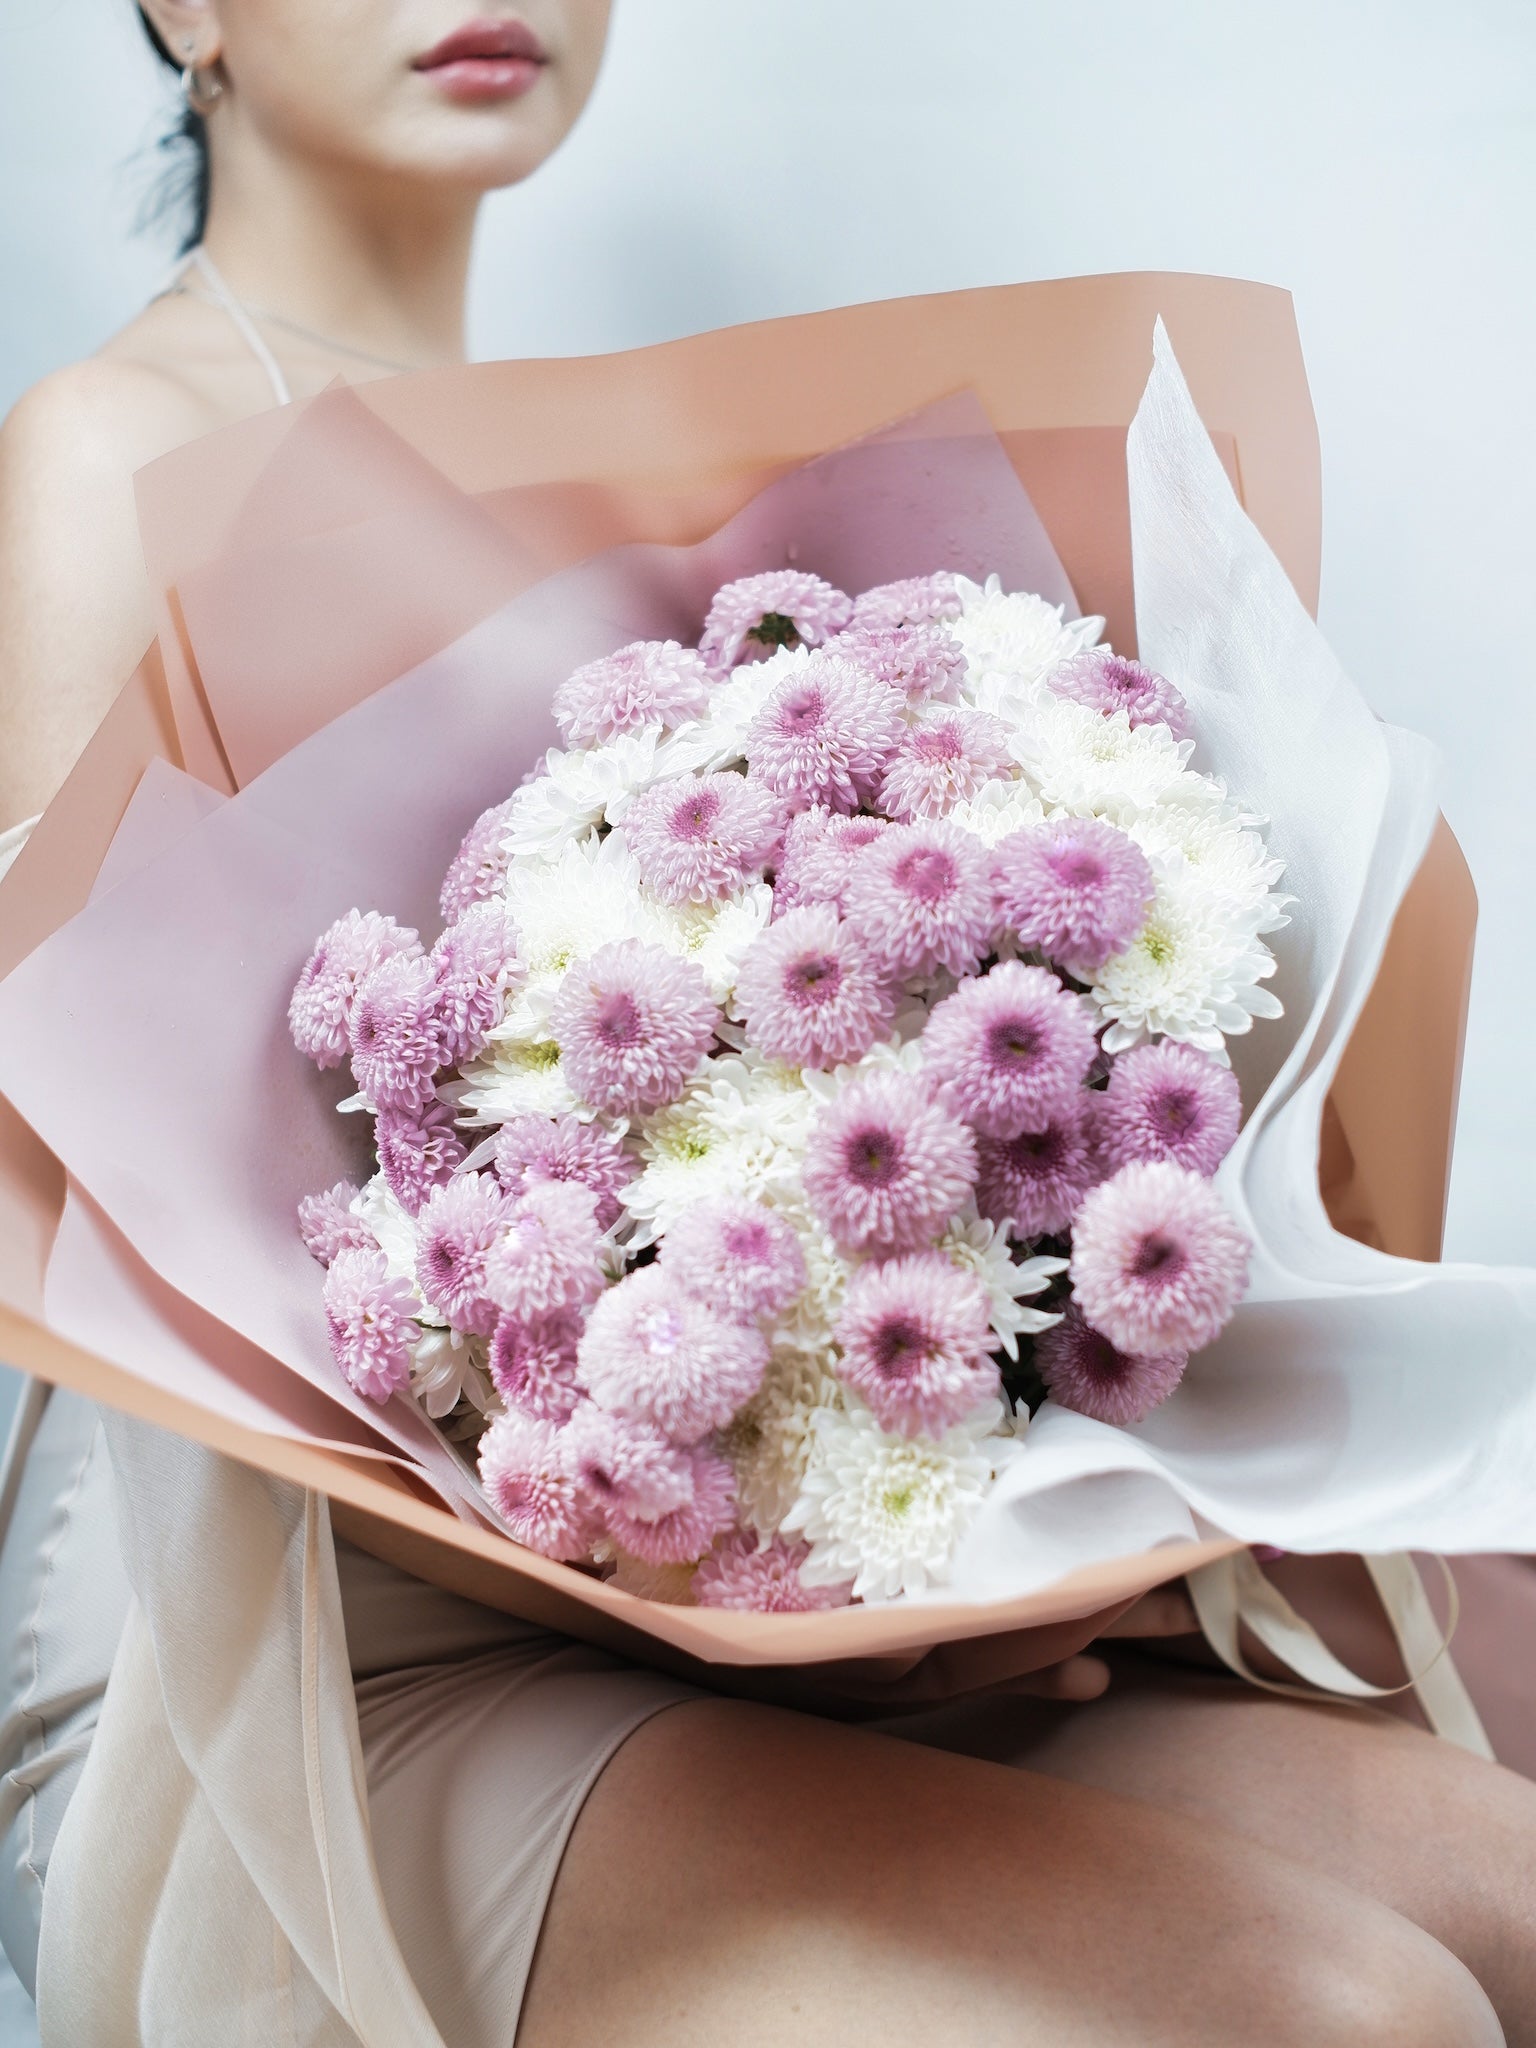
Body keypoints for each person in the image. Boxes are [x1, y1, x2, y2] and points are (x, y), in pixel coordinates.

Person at [0, 4, 1533, 2042]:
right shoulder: (109, 452)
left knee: (1504, 1897)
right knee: (1348, 2007)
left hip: (728, 1590)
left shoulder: (593, 443)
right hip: (281, 1653)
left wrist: (936, 1516)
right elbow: (93, 1214)